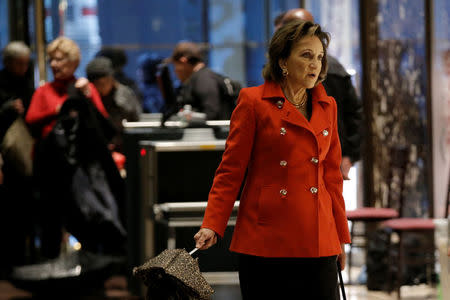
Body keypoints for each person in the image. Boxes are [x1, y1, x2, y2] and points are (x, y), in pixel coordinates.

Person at [194, 20, 350, 299]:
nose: (315, 64)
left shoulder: (329, 106)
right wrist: (213, 223)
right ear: (283, 62)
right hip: (265, 239)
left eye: (319, 57)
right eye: (306, 55)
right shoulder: (253, 102)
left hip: (319, 238)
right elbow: (231, 170)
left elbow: (332, 178)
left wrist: (340, 237)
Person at [25, 37, 109, 259]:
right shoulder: (44, 91)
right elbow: (31, 119)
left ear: (72, 62)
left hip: (80, 167)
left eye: (59, 59)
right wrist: (58, 109)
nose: (54, 64)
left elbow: (102, 122)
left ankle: (91, 272)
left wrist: (88, 97)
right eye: (51, 59)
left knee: (84, 219)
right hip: (49, 166)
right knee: (50, 222)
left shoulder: (84, 88)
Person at [280, 8, 363, 180]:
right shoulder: (333, 67)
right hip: (301, 157)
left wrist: (349, 155)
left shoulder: (332, 70)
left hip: (322, 154)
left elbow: (354, 114)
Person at [86, 56, 141, 151]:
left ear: (111, 78)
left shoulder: (125, 95)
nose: (101, 87)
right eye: (97, 84)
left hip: (124, 148)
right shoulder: (88, 97)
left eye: (103, 83)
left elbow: (136, 124)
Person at [167, 41, 225, 120]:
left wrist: (188, 117)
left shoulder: (204, 79)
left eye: (175, 66)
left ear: (183, 61)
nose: (175, 71)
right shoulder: (200, 77)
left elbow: (212, 113)